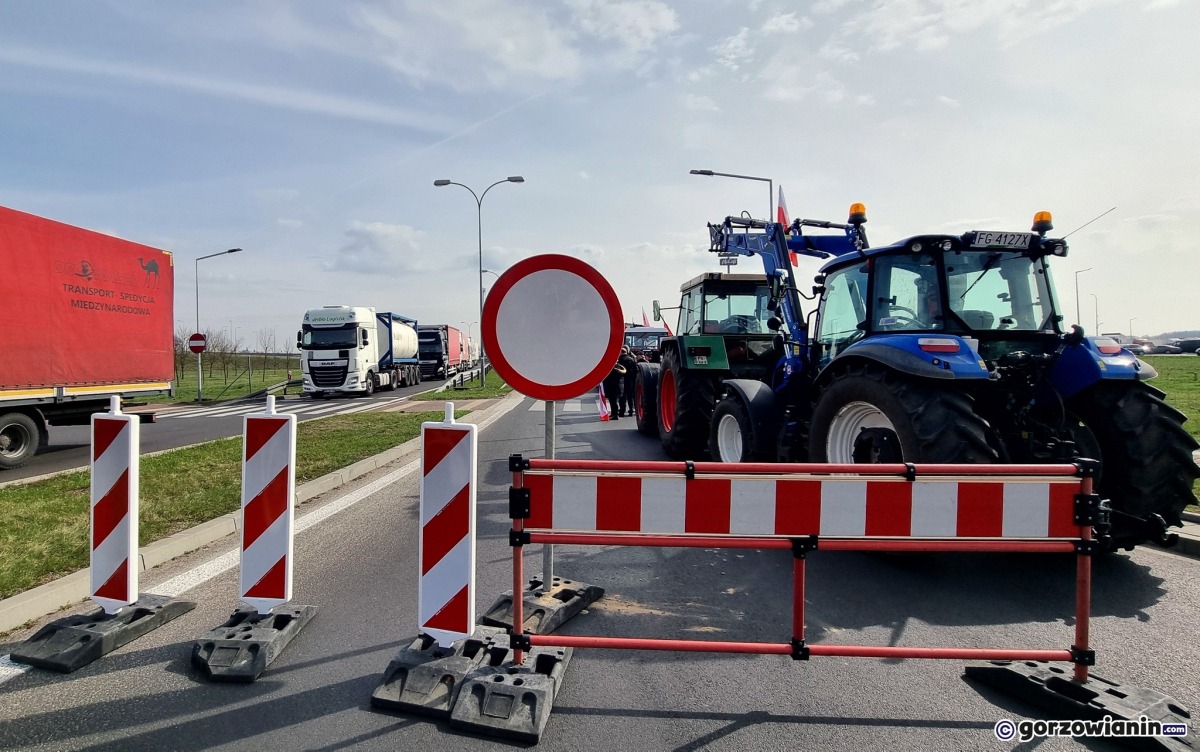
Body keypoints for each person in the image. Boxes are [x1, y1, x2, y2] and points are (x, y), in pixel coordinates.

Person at [617, 346, 638, 417]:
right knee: (630, 396)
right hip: (630, 380)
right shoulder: (632, 359)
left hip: (621, 380)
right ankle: (631, 411)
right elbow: (636, 370)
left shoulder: (619, 360)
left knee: (622, 396)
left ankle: (622, 411)